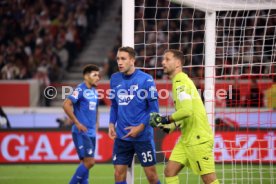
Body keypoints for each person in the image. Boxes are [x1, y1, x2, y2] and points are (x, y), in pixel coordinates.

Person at [150, 49, 219, 184]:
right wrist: (171, 125)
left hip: (197, 139)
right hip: (187, 138)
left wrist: (165, 119)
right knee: (169, 171)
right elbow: (186, 113)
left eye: (167, 59)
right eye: (163, 59)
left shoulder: (181, 82)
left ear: (177, 63)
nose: (163, 62)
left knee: (209, 179)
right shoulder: (180, 81)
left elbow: (187, 111)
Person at [108, 46, 161, 184]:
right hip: (122, 136)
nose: (119, 62)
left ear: (132, 60)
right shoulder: (114, 79)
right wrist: (111, 123)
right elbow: (114, 105)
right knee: (118, 174)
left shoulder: (146, 79)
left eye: (123, 59)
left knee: (151, 176)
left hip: (142, 136)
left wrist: (140, 127)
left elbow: (154, 109)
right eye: (118, 59)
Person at [63, 64, 100, 184]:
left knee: (85, 163)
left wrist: (97, 125)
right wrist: (77, 122)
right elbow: (66, 104)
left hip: (91, 132)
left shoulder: (94, 91)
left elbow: (96, 109)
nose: (98, 78)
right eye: (95, 75)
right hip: (81, 131)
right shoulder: (80, 89)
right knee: (90, 162)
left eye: (98, 75)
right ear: (86, 76)